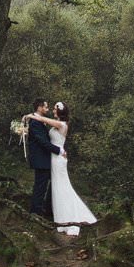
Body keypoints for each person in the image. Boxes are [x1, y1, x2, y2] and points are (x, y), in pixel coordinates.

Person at [32, 100, 96, 235]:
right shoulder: (56, 124)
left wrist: (31, 116)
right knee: (55, 185)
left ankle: (65, 216)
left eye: (55, 109)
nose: (52, 110)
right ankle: (50, 211)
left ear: (60, 112)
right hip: (53, 157)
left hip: (58, 158)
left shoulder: (62, 124)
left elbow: (43, 119)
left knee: (61, 185)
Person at [27, 98, 66, 218]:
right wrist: (59, 150)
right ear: (39, 107)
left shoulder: (41, 121)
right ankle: (35, 213)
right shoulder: (35, 122)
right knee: (40, 187)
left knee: (51, 185)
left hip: (48, 159)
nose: (48, 109)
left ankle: (47, 210)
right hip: (41, 159)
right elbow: (43, 142)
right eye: (46, 107)